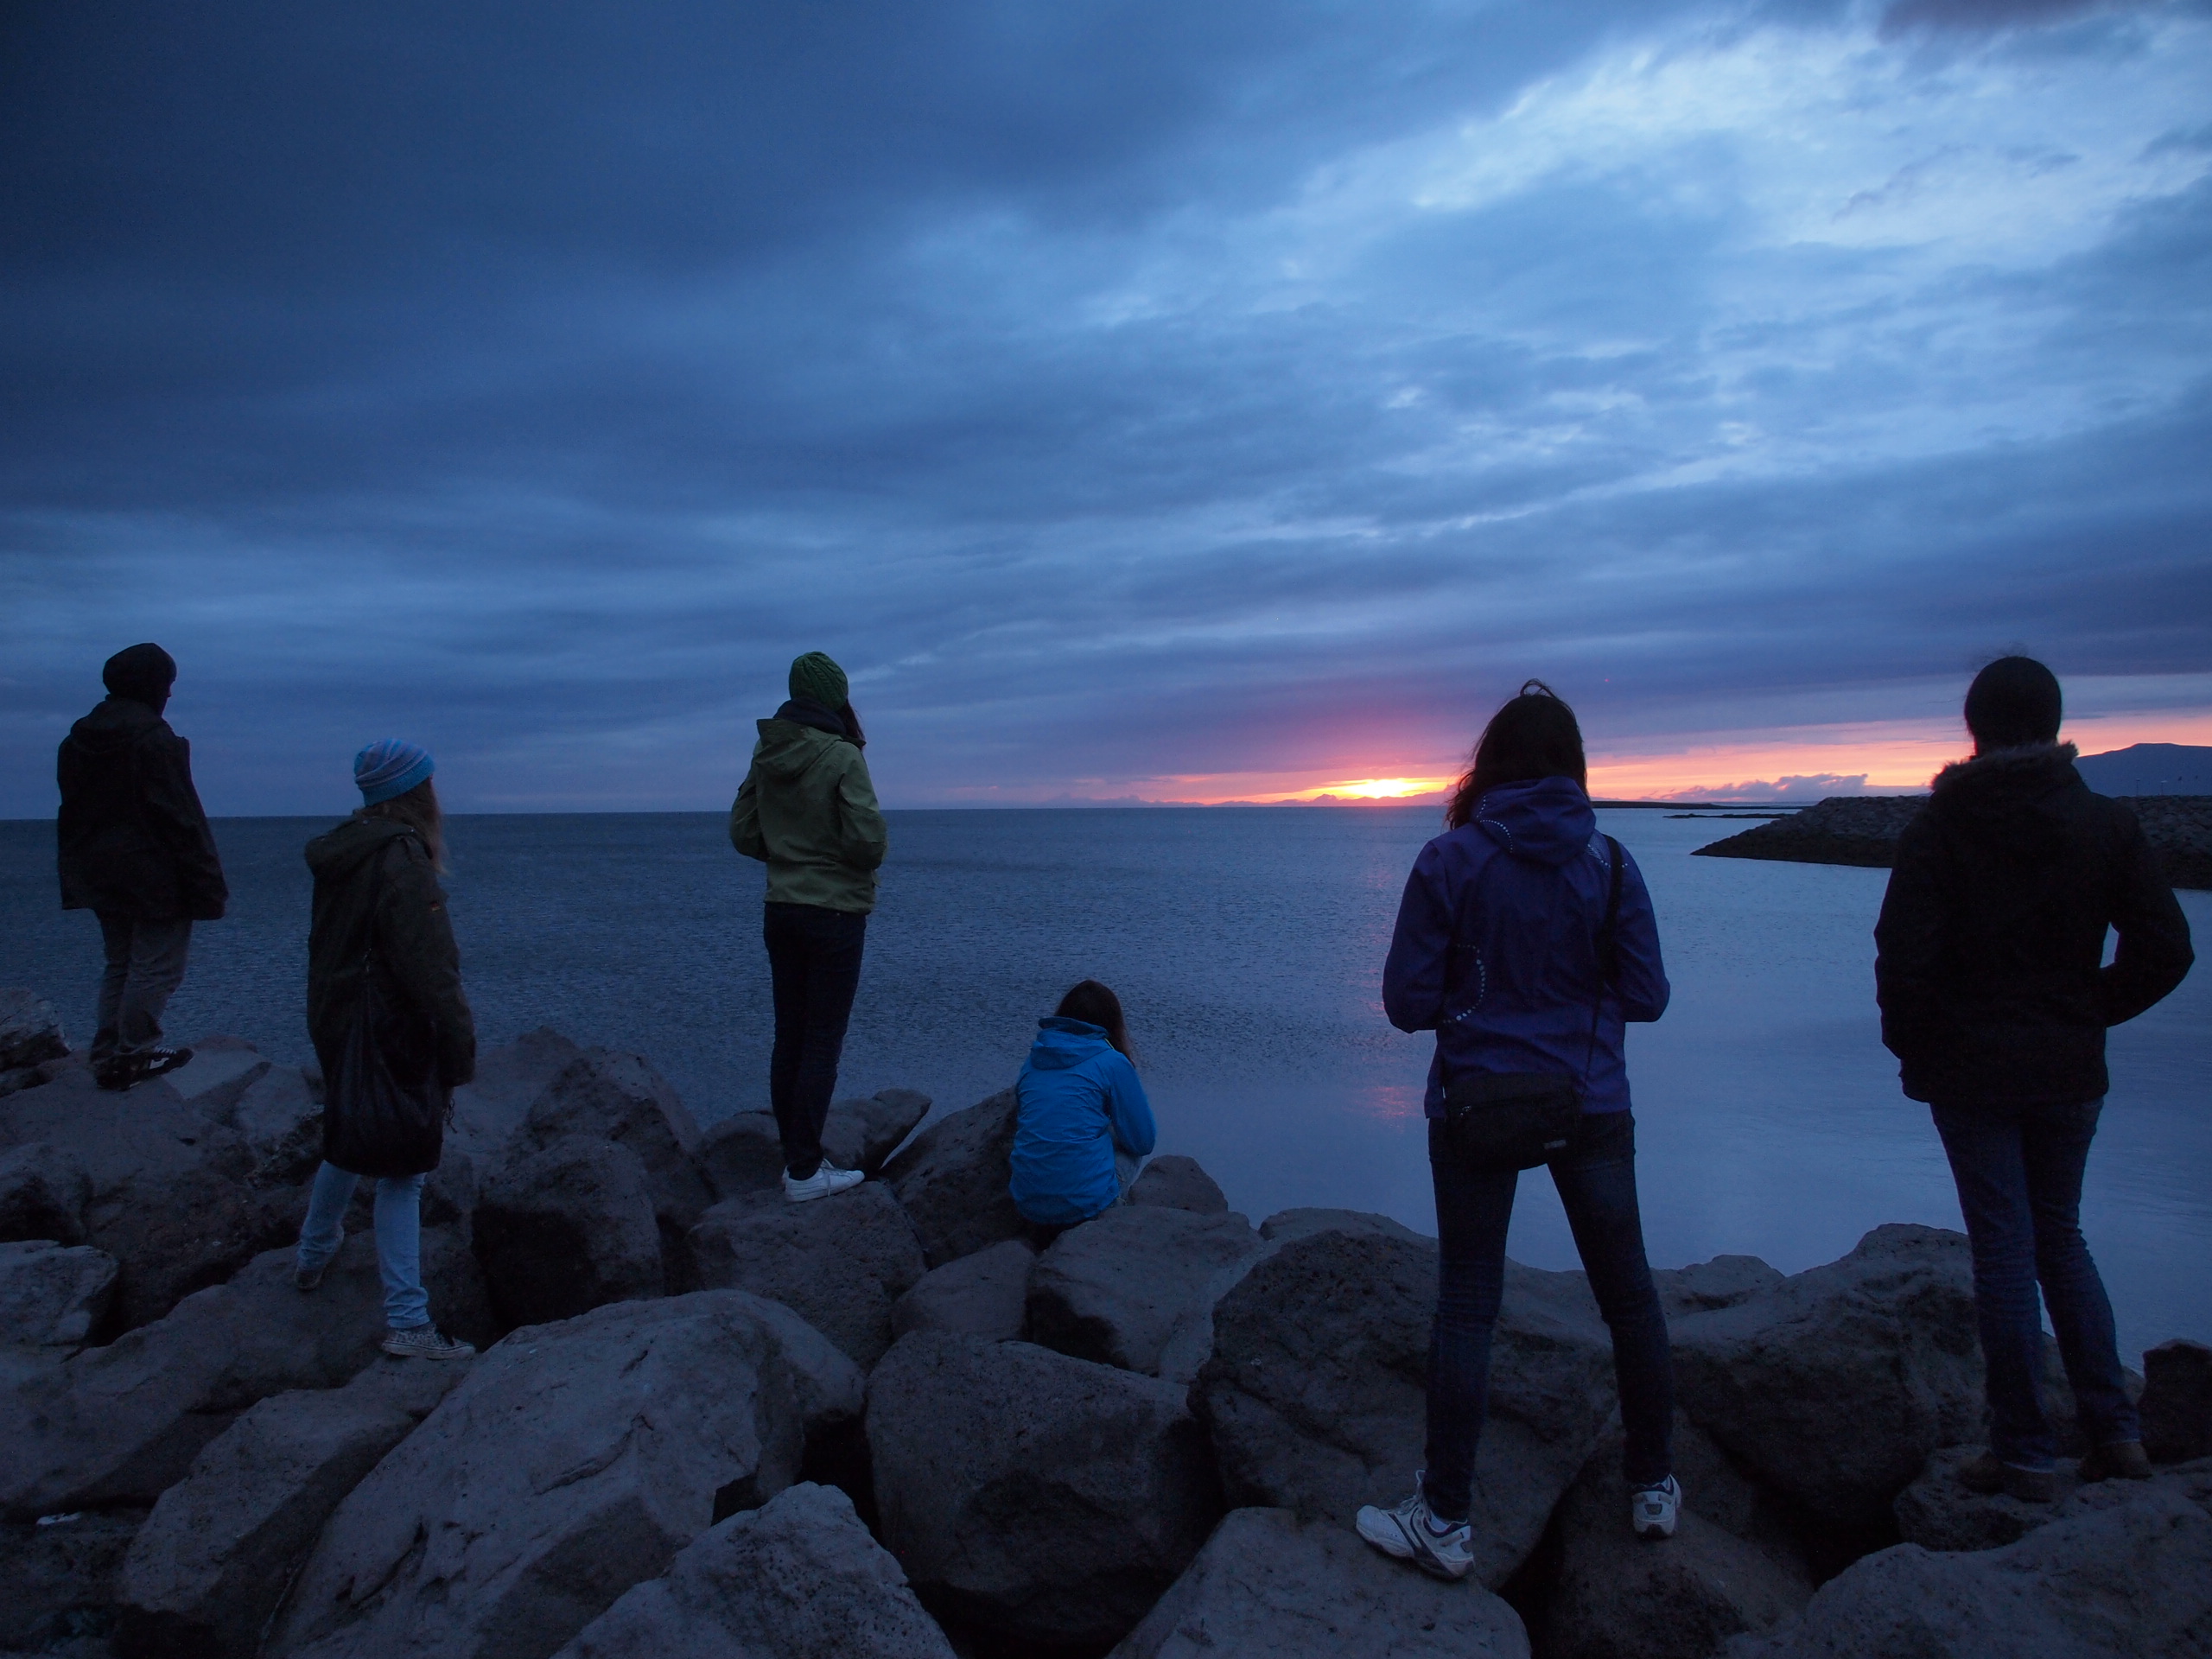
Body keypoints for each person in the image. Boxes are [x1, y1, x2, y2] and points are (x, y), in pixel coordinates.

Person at [1363, 680, 1676, 1581]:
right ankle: (1653, 1485)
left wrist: (1478, 1002)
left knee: (1468, 1305)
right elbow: (1649, 996)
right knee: (1630, 1299)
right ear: (1575, 767)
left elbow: (1405, 1003)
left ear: (1488, 764)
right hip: (1591, 1103)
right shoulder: (1612, 863)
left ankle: (1445, 1519)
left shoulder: (1449, 861)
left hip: (1478, 1106)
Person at [1876, 657, 2191, 1501]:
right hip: (2066, 1067)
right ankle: (2115, 1434)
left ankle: (2021, 1451)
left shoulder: (1940, 828)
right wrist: (2087, 1010)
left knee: (2006, 1253)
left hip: (1972, 1072)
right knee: (2061, 1239)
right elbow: (2167, 949)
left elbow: (1902, 961)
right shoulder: (2106, 823)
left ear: (1974, 730)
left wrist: (1916, 1051)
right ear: (2054, 727)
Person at [293, 740, 478, 1361]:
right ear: (418, 792)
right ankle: (409, 1322)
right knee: (404, 1171)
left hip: (339, 1017)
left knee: (349, 1131)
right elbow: (433, 969)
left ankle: (313, 1253)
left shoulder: (346, 850)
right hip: (390, 1029)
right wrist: (458, 1050)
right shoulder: (401, 858)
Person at [731, 652, 889, 1203]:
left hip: (781, 908)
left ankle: (797, 1160)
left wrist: (788, 853)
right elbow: (869, 844)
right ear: (836, 698)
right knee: (822, 1042)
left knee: (790, 1038)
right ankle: (804, 1173)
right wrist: (831, 856)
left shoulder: (768, 750)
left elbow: (744, 832)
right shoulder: (842, 755)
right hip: (836, 914)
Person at [56, 643, 229, 1090]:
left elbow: (73, 812)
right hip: (153, 873)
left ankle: (108, 1054)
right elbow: (181, 818)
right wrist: (208, 884)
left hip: (97, 869)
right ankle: (134, 1055)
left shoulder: (77, 742)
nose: (169, 694)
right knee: (155, 968)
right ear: (151, 686)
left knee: (120, 963)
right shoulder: (154, 741)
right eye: (166, 685)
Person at [1010, 980, 1157, 1237]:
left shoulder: (1033, 1060)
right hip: (1083, 1209)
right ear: (1113, 1024)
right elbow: (1143, 1141)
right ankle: (1110, 1212)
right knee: (1126, 1142)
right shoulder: (1112, 1062)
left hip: (1027, 1205)